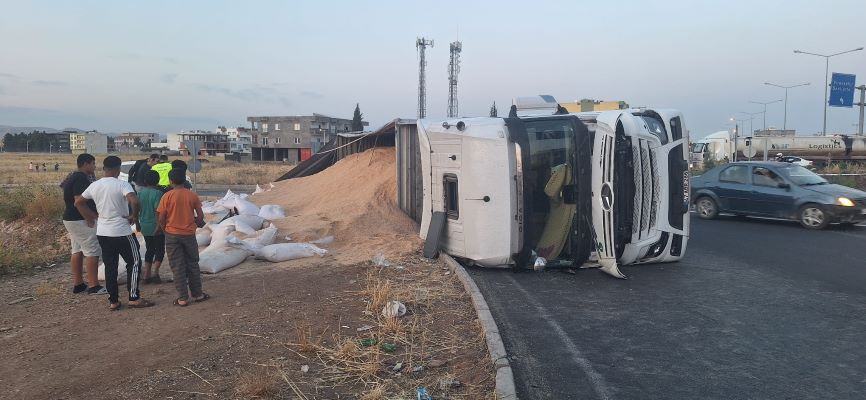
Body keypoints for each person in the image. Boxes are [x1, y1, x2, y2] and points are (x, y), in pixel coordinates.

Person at [75, 156, 155, 311]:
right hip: (122, 231)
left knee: (110, 266)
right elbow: (135, 201)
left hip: (103, 232)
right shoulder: (122, 184)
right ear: (118, 169)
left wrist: (91, 216)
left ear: (104, 168)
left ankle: (114, 301)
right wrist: (134, 216)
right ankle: (134, 297)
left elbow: (78, 202)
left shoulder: (95, 185)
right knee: (135, 262)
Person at [158, 168, 209, 306]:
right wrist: (194, 224)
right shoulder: (191, 195)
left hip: (172, 235)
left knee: (177, 266)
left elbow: (161, 217)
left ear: (170, 181)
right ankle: (198, 294)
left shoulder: (166, 196)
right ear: (184, 180)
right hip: (189, 235)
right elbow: (200, 215)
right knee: (192, 264)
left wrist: (165, 230)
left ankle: (182, 298)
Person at [61, 153, 106, 295]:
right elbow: (78, 201)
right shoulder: (81, 178)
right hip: (80, 220)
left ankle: (78, 284)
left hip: (71, 219)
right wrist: (91, 217)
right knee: (92, 250)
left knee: (77, 250)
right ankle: (94, 286)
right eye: (93, 163)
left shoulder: (73, 176)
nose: (95, 166)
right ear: (86, 164)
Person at [138, 170, 166, 284]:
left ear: (145, 181)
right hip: (156, 225)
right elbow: (157, 211)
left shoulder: (140, 193)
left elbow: (137, 210)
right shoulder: (158, 194)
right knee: (159, 249)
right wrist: (159, 225)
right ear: (158, 180)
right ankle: (155, 273)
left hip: (144, 225)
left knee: (149, 249)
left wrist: (137, 223)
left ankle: (146, 275)